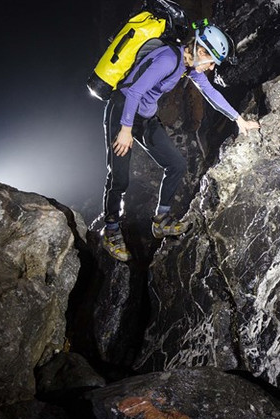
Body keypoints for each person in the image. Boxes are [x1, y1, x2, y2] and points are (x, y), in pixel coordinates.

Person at [100, 22, 259, 261]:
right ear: (201, 51)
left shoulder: (189, 66)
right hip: (123, 109)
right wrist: (125, 129)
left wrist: (239, 120)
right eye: (212, 61)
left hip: (145, 116)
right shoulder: (167, 59)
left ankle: (161, 220)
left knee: (176, 165)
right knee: (120, 177)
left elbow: (212, 94)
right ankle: (110, 230)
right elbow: (133, 92)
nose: (212, 67)